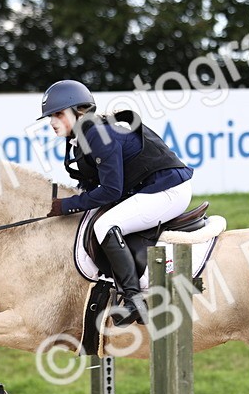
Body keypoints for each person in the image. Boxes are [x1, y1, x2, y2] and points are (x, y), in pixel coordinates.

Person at [39, 79, 194, 326]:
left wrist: (67, 206)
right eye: (50, 117)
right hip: (151, 188)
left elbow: (111, 190)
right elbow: (94, 185)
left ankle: (134, 300)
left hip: (168, 191)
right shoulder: (83, 136)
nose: (51, 122)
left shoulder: (99, 135)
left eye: (57, 114)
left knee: (105, 225)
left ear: (78, 111)